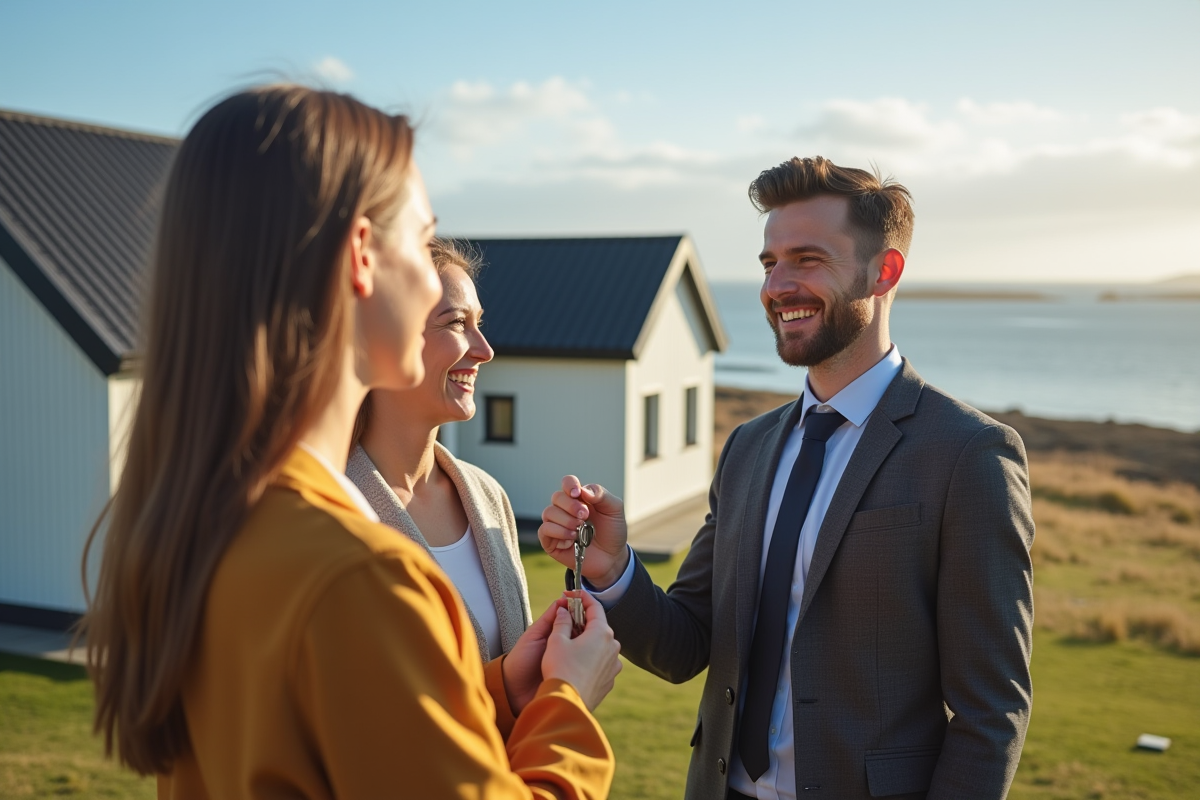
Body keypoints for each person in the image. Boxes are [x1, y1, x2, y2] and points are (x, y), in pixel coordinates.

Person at [82, 85, 620, 799]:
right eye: (421, 242)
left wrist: (497, 693)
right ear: (363, 255)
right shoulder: (364, 578)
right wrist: (566, 701)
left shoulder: (211, 527)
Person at [540, 156, 1034, 800]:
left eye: (808, 259)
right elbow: (685, 646)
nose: (777, 286)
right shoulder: (748, 448)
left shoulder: (969, 454)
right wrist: (612, 570)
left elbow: (991, 713)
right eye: (770, 263)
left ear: (883, 271)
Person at [348, 238, 530, 662]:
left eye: (479, 323)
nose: (485, 351)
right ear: (387, 339)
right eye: (456, 323)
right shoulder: (336, 512)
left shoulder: (489, 497)